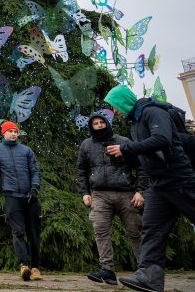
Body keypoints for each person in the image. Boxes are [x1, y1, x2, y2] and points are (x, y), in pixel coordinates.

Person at [103, 85, 195, 292]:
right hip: (158, 185)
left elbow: (162, 139)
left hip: (179, 178)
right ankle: (149, 277)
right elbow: (146, 150)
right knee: (152, 229)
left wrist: (126, 147)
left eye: (115, 106)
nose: (114, 111)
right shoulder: (135, 122)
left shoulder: (152, 112)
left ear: (124, 101)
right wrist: (125, 155)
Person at [76, 111, 147, 285]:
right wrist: (85, 192)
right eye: (95, 123)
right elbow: (81, 171)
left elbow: (142, 167)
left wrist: (140, 191)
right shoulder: (86, 145)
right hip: (99, 194)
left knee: (135, 232)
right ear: (91, 126)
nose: (99, 125)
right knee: (100, 231)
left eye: (102, 122)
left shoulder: (124, 142)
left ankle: (145, 271)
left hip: (127, 194)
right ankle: (107, 271)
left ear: (107, 123)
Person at [0, 121, 43, 281]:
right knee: (18, 232)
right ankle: (23, 266)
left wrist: (34, 189)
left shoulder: (26, 150)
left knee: (34, 233)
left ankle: (36, 268)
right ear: (3, 133)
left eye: (16, 131)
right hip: (11, 197)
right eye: (10, 131)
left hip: (30, 197)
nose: (14, 134)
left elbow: (35, 171)